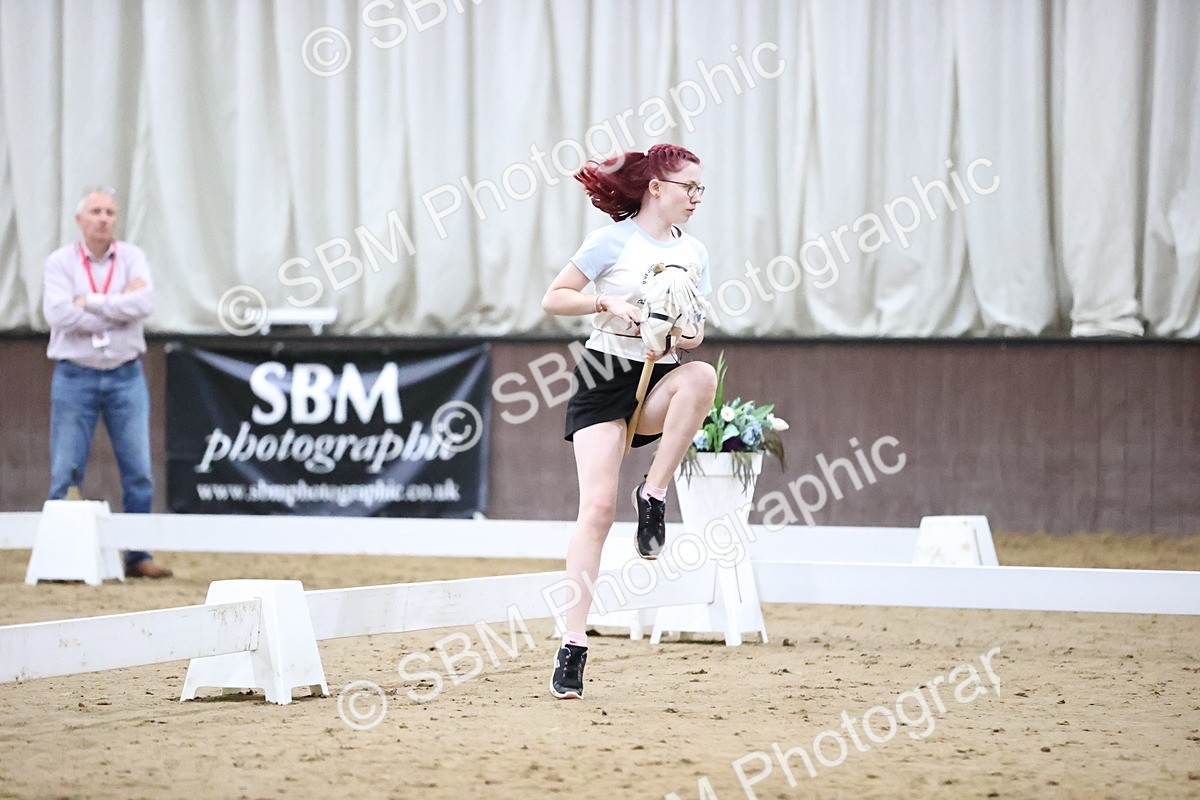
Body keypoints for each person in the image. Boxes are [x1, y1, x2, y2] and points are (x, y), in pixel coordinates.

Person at [541, 144, 717, 698]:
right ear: (656, 188)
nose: (696, 197)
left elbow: (697, 334)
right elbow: (554, 298)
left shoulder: (694, 253)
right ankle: (573, 643)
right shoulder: (610, 242)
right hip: (605, 373)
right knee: (596, 509)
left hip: (658, 372)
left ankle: (654, 492)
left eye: (701, 188)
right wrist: (609, 305)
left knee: (702, 378)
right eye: (688, 187)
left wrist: (675, 331)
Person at [43, 187, 172, 579]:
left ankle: (137, 555)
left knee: (139, 472)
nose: (103, 219)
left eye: (110, 212)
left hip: (125, 374)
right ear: (80, 220)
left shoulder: (133, 258)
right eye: (96, 211)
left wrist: (90, 301)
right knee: (66, 472)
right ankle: (58, 557)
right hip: (75, 374)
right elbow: (59, 315)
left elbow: (144, 305)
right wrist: (118, 307)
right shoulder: (59, 262)